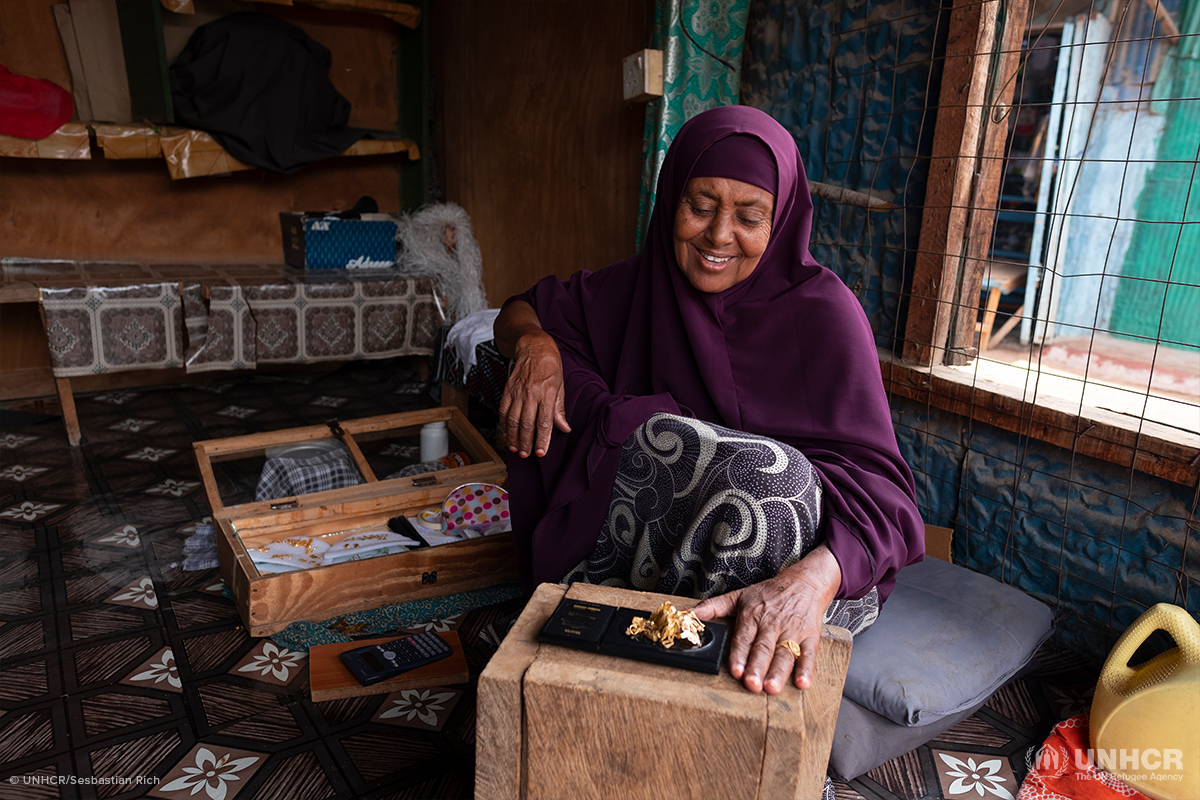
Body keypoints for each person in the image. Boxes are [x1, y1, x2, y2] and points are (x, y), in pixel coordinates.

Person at [494, 104, 923, 696]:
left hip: (807, 576)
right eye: (700, 207)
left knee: (768, 480)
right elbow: (522, 307)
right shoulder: (636, 290)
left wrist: (813, 580)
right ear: (672, 199)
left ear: (782, 221)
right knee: (676, 446)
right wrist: (536, 346)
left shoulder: (825, 316)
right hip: (665, 559)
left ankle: (726, 717)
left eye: (749, 217)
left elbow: (889, 500)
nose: (719, 236)